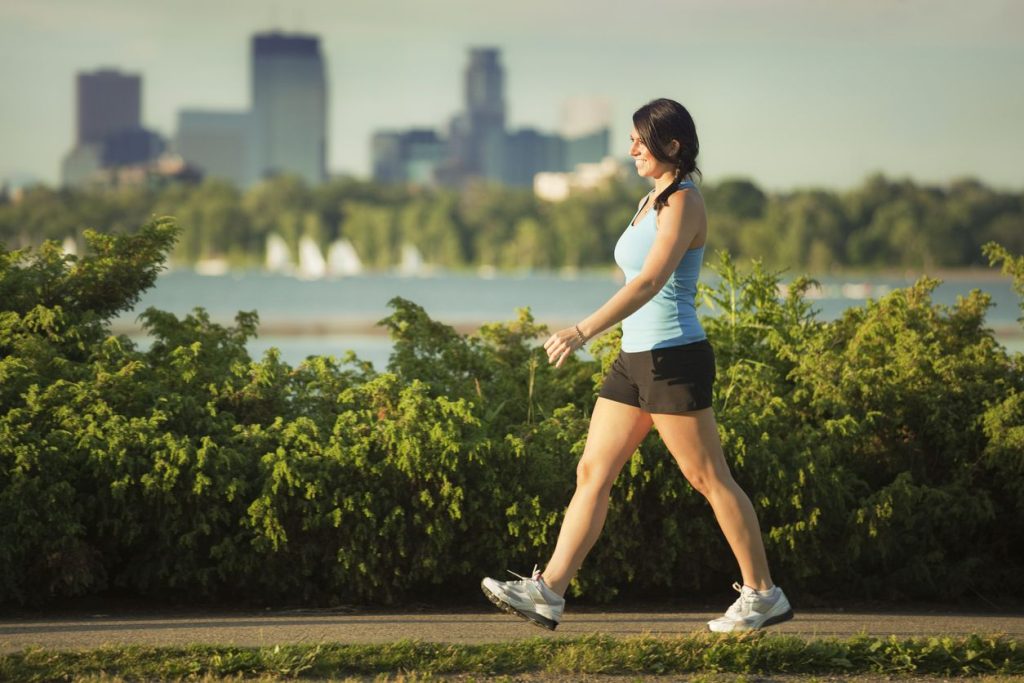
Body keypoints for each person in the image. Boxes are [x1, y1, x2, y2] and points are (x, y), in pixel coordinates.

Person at [480, 98, 793, 634]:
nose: (631, 149)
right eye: (630, 139)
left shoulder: (683, 202)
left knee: (707, 476)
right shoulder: (649, 201)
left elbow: (648, 283)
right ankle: (548, 592)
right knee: (591, 472)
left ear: (672, 145)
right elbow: (634, 279)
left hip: (673, 357)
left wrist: (581, 331)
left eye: (640, 141)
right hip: (634, 359)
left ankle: (764, 594)